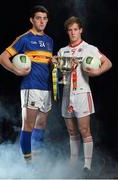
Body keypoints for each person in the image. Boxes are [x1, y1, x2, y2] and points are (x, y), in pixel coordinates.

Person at [52, 16, 112, 177]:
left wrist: (98, 71)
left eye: (75, 29)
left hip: (82, 93)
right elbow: (59, 72)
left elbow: (108, 62)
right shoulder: (62, 51)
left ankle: (87, 165)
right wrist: (54, 63)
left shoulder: (89, 48)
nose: (73, 33)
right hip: (67, 93)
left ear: (81, 30)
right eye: (70, 30)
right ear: (67, 32)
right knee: (71, 131)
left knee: (84, 130)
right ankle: (73, 162)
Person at [0, 5, 53, 165]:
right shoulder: (25, 38)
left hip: (46, 88)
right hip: (31, 87)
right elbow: (2, 58)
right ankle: (28, 165)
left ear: (47, 20)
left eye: (44, 18)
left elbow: (45, 64)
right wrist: (16, 70)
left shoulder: (49, 40)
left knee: (41, 124)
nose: (41, 21)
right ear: (32, 20)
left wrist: (54, 63)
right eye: (38, 18)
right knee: (28, 125)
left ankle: (38, 160)